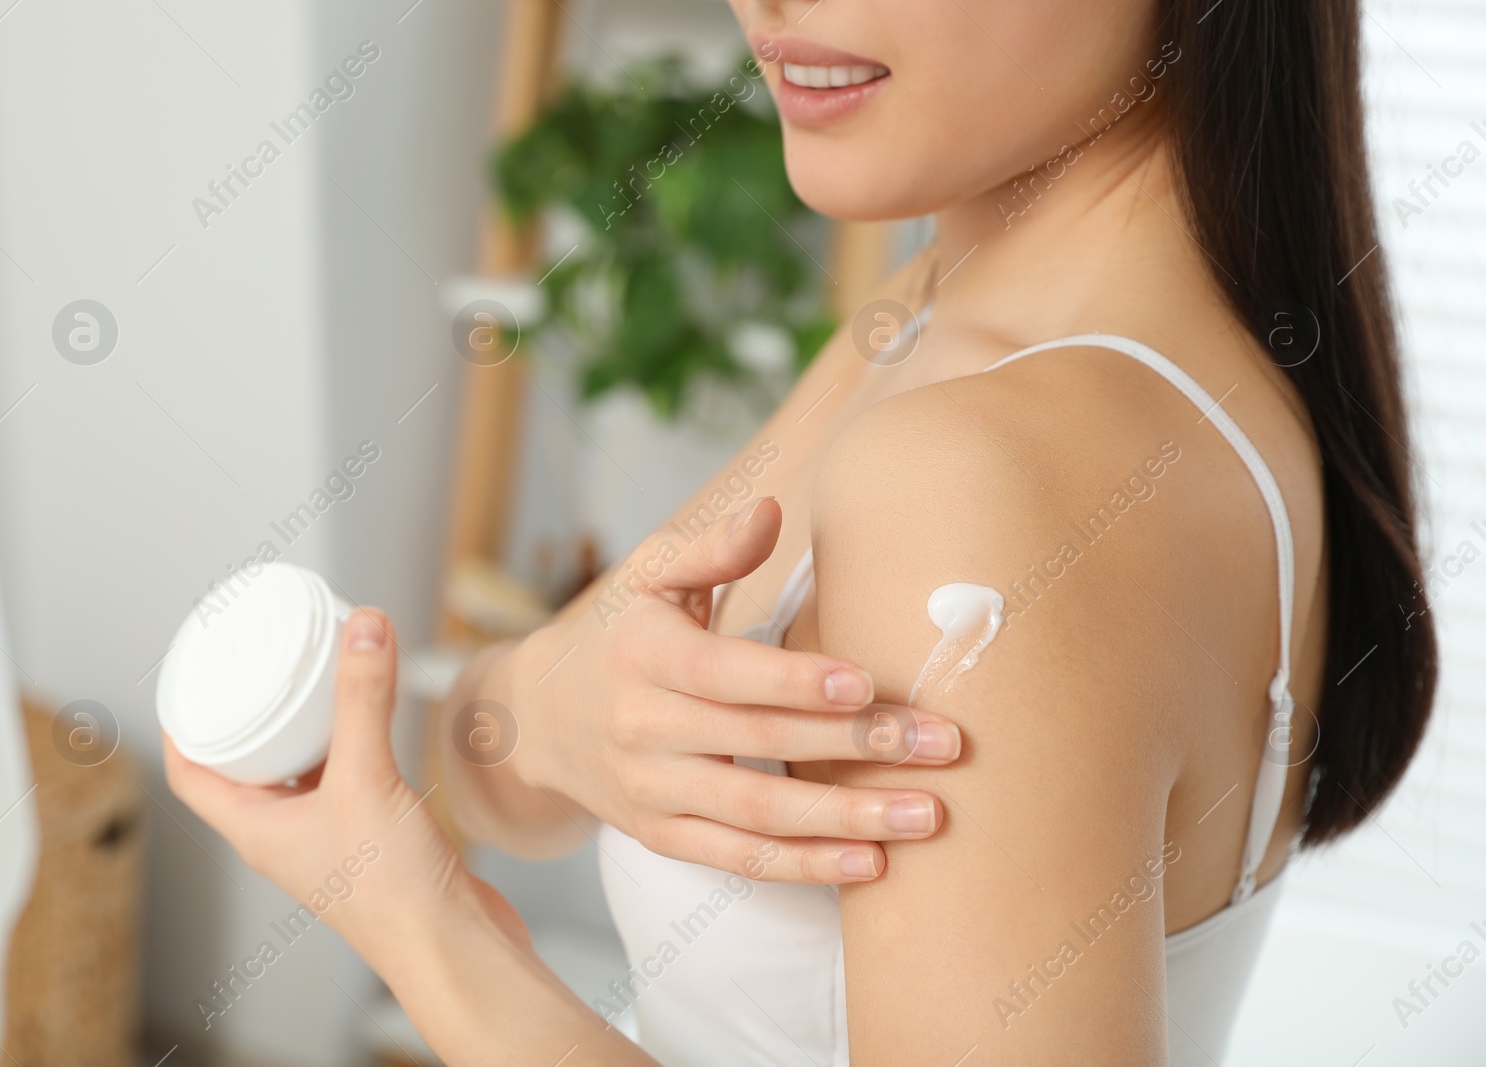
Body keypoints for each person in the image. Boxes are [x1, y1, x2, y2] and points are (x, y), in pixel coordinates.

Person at [166, 0, 1438, 1062]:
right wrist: (555, 707)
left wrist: (413, 916)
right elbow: (498, 759)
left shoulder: (986, 477)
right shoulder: (942, 320)